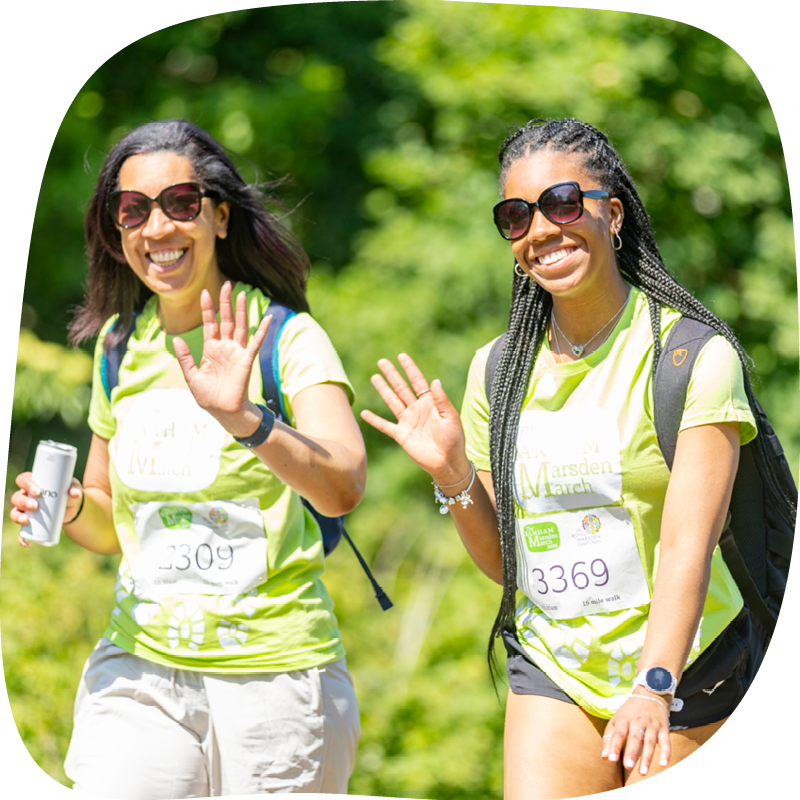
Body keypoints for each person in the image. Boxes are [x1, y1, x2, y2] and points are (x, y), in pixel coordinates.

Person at [361, 118, 796, 797]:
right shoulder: (496, 371)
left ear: (612, 213)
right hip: (556, 664)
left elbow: (688, 545)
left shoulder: (692, 359)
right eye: (516, 215)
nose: (542, 228)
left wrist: (655, 684)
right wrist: (450, 472)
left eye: (563, 202)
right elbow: (507, 564)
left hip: (689, 663)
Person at [10, 120, 366, 798]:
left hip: (275, 675)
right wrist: (72, 506)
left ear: (219, 216)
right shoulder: (118, 346)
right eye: (133, 210)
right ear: (115, 232)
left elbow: (344, 484)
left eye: (180, 202)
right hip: (140, 667)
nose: (157, 227)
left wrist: (247, 419)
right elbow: (111, 524)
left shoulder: (284, 337)